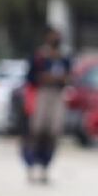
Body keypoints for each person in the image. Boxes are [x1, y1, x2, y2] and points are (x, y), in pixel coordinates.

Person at [21, 27, 71, 183]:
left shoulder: (64, 57)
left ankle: (45, 166)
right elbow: (30, 77)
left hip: (57, 95)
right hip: (41, 95)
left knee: (53, 131)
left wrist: (61, 79)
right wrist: (43, 78)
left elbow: (69, 76)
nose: (56, 39)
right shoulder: (39, 56)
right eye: (53, 36)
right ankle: (31, 164)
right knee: (37, 130)